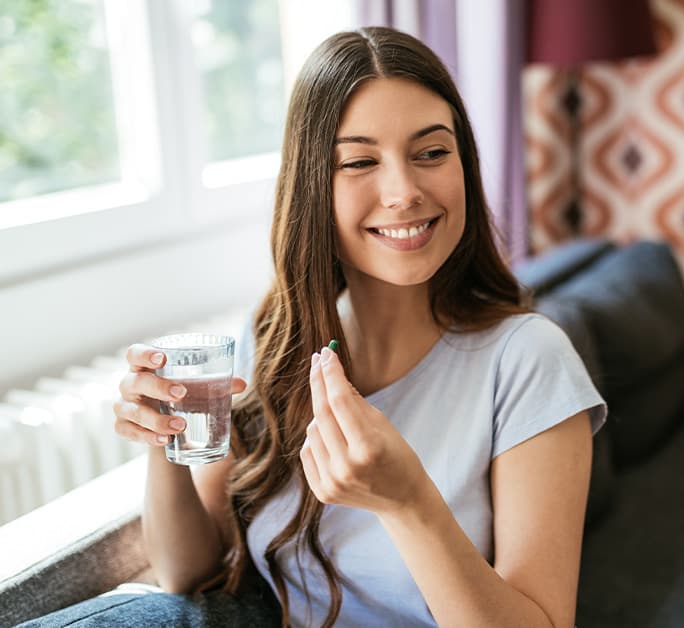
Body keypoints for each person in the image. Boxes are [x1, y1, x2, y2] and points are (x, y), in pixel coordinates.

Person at [24, 26, 605, 628]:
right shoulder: (276, 340)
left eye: (432, 153)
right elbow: (186, 574)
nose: (404, 192)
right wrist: (165, 445)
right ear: (311, 187)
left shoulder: (528, 359)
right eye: (359, 161)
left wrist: (409, 503)